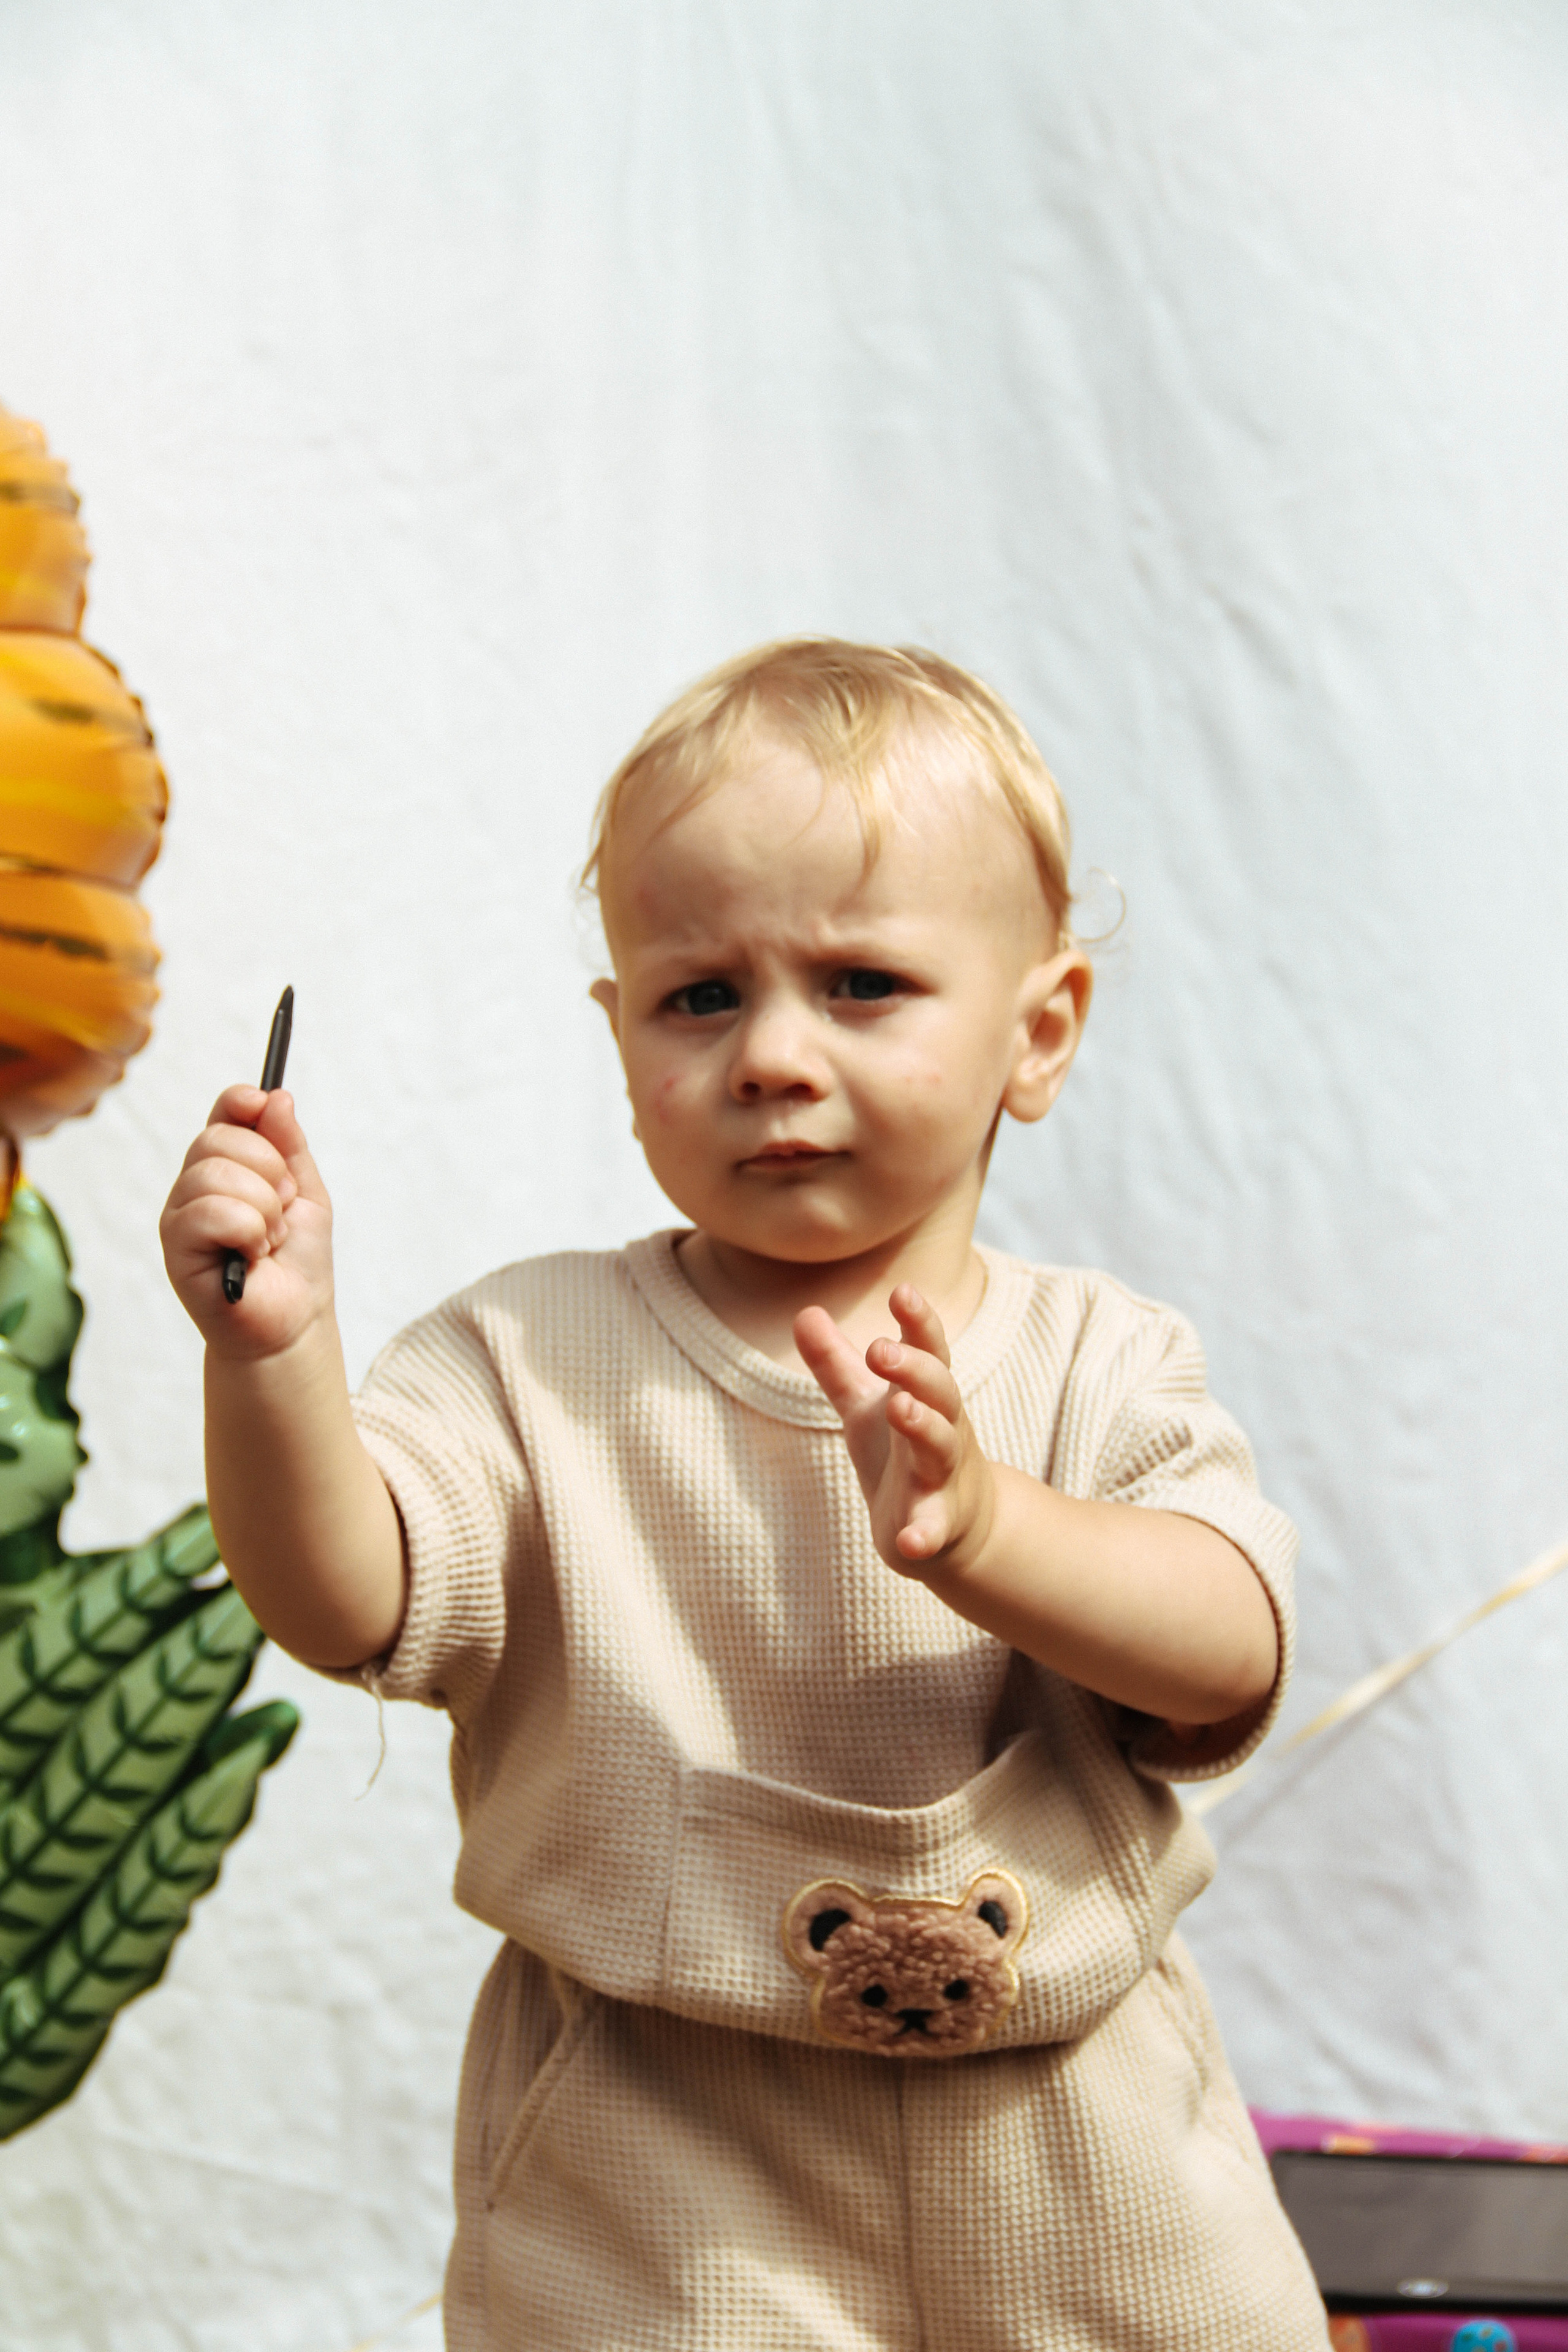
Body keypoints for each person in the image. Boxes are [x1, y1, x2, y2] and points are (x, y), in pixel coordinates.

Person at [160, 639, 1329, 2350]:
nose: (773, 1053)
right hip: (662, 2175)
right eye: (700, 997)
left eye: (861, 983)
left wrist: (991, 1531)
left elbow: (1229, 1649)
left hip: (1083, 2157)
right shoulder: (528, 1357)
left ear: (1040, 1032)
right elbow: (348, 1602)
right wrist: (273, 1361)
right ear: (619, 1032)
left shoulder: (1102, 1358)